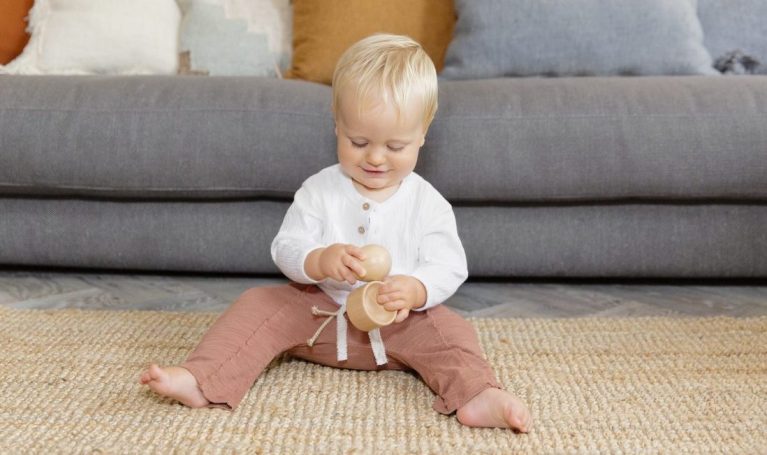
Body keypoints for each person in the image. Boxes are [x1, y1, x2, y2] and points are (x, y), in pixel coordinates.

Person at [139, 33, 531, 432]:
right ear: (336, 124)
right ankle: (203, 379)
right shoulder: (319, 190)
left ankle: (477, 395)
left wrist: (415, 289)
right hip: (318, 315)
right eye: (358, 141)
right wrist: (319, 260)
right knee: (257, 305)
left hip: (399, 326)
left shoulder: (427, 203)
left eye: (395, 146)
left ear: (423, 134)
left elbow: (449, 265)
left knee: (451, 333)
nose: (375, 158)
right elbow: (286, 245)